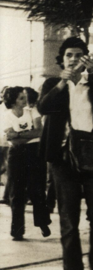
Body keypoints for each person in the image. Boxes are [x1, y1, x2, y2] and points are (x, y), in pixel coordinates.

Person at [38, 37, 93, 270]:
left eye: (78, 55)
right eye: (69, 55)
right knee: (69, 221)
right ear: (62, 59)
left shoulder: (92, 83)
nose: (73, 59)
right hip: (63, 158)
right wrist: (63, 82)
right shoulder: (52, 84)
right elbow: (43, 107)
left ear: (86, 59)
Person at [3, 87, 50, 240]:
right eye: (21, 98)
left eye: (25, 97)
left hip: (34, 152)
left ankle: (42, 222)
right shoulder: (6, 115)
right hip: (16, 154)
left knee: (37, 189)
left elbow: (39, 131)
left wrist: (17, 134)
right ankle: (17, 230)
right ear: (13, 101)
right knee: (16, 192)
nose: (25, 100)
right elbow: (13, 140)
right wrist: (28, 135)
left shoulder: (32, 111)